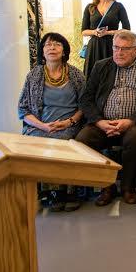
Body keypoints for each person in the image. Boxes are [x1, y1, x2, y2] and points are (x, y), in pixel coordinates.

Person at [76, 31, 136, 206]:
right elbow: (86, 98)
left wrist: (131, 120)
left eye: (125, 49)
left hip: (135, 122)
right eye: (116, 47)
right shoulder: (101, 66)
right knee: (82, 140)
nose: (119, 52)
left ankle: (128, 187)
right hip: (102, 121)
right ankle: (106, 186)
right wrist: (99, 121)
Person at [17, 32, 86, 211]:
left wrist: (69, 122)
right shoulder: (34, 76)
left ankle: (67, 191)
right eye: (47, 45)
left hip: (69, 124)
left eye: (57, 45)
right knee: (38, 142)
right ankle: (49, 192)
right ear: (42, 51)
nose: (52, 48)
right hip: (40, 125)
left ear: (64, 50)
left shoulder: (76, 75)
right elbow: (23, 110)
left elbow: (85, 106)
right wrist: (43, 126)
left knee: (61, 142)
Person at [81, 0, 130, 78]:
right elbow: (84, 31)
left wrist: (108, 33)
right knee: (92, 77)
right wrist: (94, 32)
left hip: (112, 45)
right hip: (94, 46)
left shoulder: (118, 6)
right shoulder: (90, 7)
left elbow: (127, 29)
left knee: (111, 75)